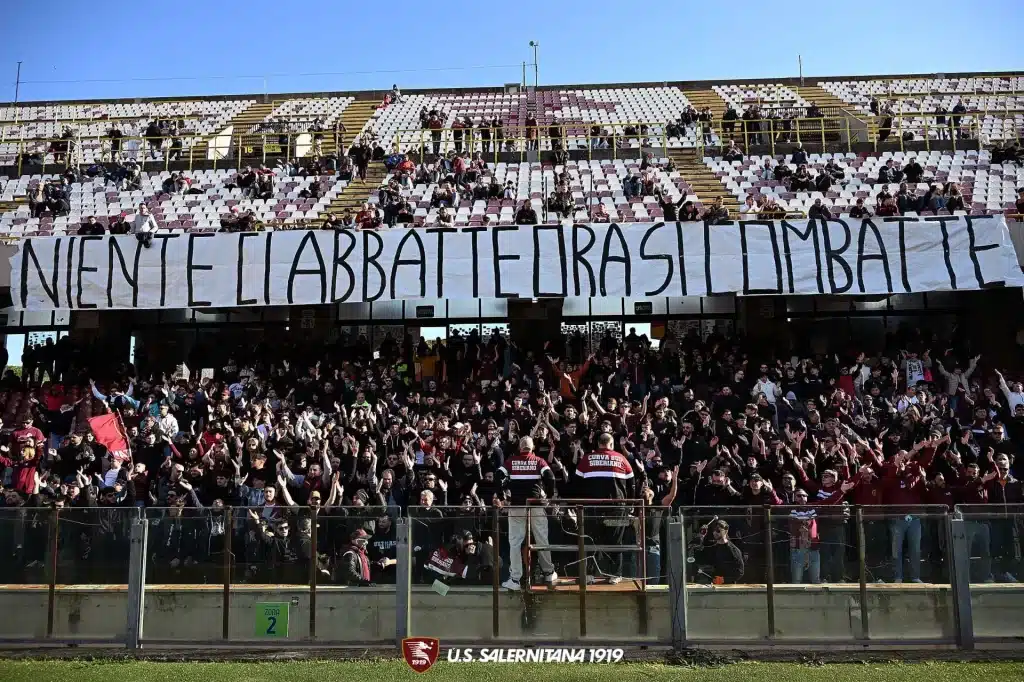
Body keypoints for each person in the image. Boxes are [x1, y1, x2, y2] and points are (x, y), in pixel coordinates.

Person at [496, 436, 557, 590]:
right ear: (533, 447)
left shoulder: (511, 461)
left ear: (520, 447)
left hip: (516, 506)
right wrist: (549, 496)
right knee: (542, 539)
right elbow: (550, 477)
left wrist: (502, 498)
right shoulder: (539, 461)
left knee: (515, 543)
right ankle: (549, 572)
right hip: (536, 505)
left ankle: (515, 580)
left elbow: (497, 476)